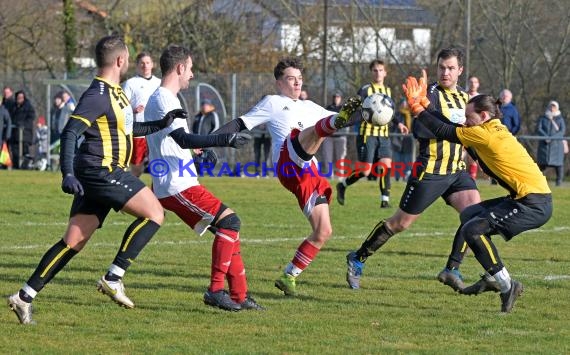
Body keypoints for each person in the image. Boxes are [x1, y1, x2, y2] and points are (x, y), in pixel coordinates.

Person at [6, 35, 187, 325]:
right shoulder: (98, 94)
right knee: (154, 213)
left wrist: (161, 124)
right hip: (101, 171)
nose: (128, 62)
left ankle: (24, 296)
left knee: (73, 241)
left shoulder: (116, 93)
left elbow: (128, 129)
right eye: (127, 57)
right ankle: (114, 277)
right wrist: (66, 173)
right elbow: (70, 133)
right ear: (119, 60)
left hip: (98, 173)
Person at [215, 57, 362, 296]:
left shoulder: (309, 106)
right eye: (290, 79)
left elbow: (346, 121)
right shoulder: (272, 102)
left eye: (300, 79)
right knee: (309, 132)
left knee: (323, 230)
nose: (296, 83)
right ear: (278, 83)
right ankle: (333, 121)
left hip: (309, 173)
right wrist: (210, 140)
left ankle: (289, 276)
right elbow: (240, 123)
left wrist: (369, 113)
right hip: (287, 163)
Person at [403, 75, 552, 312]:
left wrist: (417, 109)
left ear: (483, 116)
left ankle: (505, 285)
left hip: (533, 204)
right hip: (527, 198)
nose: (465, 121)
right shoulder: (486, 128)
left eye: (469, 117)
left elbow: (445, 131)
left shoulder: (484, 134)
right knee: (469, 216)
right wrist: (427, 104)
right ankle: (461, 270)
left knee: (473, 229)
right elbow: (452, 127)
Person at [345, 48, 481, 291]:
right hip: (429, 170)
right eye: (441, 67)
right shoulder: (428, 93)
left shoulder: (465, 98)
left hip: (456, 171)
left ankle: (452, 269)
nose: (445, 72)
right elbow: (422, 130)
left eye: (451, 68)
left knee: (475, 216)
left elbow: (469, 134)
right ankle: (358, 258)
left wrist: (477, 158)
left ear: (460, 70)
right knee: (400, 223)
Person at [144, 45, 262, 311]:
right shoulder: (164, 98)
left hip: (177, 180)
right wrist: (224, 139)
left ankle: (239, 295)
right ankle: (216, 290)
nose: (193, 74)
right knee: (231, 221)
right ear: (180, 68)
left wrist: (198, 155)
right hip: (176, 184)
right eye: (191, 68)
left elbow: (174, 144)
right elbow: (182, 138)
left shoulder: (166, 98)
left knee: (227, 230)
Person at [336, 59, 408, 209]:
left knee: (385, 166)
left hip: (384, 135)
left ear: (385, 73)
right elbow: (356, 108)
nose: (378, 73)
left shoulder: (388, 91)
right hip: (366, 134)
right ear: (371, 72)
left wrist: (399, 123)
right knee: (365, 170)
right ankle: (343, 185)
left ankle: (385, 200)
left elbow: (389, 112)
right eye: (375, 70)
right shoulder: (365, 90)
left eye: (381, 70)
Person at [122, 52, 161, 177]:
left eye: (148, 63)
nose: (145, 66)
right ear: (137, 65)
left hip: (156, 131)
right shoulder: (130, 83)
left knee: (158, 167)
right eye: (142, 63)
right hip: (138, 132)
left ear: (152, 64)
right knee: (137, 169)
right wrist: (132, 110)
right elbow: (120, 107)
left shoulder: (160, 83)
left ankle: (158, 195)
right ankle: (132, 194)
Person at [536, 100, 566, 186]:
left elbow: (562, 131)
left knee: (559, 166)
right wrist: (545, 137)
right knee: (541, 165)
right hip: (544, 146)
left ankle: (559, 182)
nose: (552, 108)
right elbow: (539, 129)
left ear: (557, 108)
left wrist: (553, 138)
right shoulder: (543, 118)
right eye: (551, 106)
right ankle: (538, 181)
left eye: (554, 106)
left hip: (557, 146)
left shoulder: (560, 119)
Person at [320, 91, 348, 177]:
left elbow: (347, 122)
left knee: (341, 157)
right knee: (328, 157)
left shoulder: (344, 108)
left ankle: (340, 175)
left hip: (341, 136)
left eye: (338, 97)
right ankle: (330, 175)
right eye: (335, 97)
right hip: (329, 136)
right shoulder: (328, 108)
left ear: (341, 98)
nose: (336, 98)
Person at [9, 90, 36, 169]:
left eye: (21, 97)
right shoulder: (13, 107)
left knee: (25, 153)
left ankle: (25, 167)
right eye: (18, 97)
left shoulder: (28, 107)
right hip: (14, 134)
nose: (19, 99)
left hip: (25, 135)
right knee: (15, 153)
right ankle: (16, 167)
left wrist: (22, 124)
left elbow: (31, 118)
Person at [391, 99, 413, 181]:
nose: (404, 105)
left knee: (407, 160)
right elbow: (393, 126)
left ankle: (406, 176)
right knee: (397, 160)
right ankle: (397, 177)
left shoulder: (410, 114)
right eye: (402, 104)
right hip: (397, 140)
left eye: (405, 104)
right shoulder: (397, 114)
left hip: (408, 141)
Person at [466, 75, 481, 179]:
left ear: (478, 84)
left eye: (475, 82)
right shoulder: (463, 95)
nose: (473, 84)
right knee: (460, 155)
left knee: (473, 156)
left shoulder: (481, 98)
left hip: (476, 129)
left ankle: (472, 178)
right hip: (464, 127)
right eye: (471, 82)